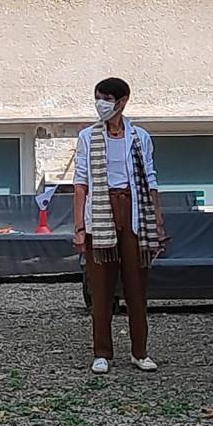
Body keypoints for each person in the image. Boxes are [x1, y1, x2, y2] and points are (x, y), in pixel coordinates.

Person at [73, 78, 165, 375]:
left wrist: (157, 220)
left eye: (106, 98)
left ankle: (140, 351)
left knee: (136, 285)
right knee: (101, 286)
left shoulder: (139, 137)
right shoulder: (87, 136)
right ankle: (102, 352)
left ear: (122, 101)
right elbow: (80, 182)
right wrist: (78, 227)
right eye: (97, 98)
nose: (101, 104)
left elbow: (150, 178)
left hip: (133, 210)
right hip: (100, 212)